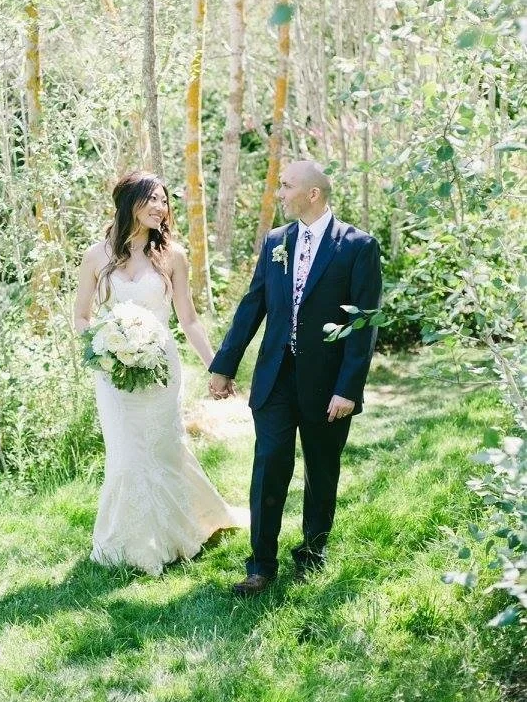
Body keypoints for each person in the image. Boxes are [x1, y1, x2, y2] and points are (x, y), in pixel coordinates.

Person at [209, 159, 382, 596]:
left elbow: (363, 325)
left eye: (286, 186)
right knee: (269, 466)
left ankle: (312, 553)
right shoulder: (276, 242)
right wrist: (225, 365)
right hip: (275, 377)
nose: (280, 194)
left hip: (327, 384)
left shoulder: (358, 246)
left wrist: (348, 388)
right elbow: (253, 305)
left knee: (321, 470)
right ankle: (260, 566)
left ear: (312, 194)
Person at [74, 170, 245, 576]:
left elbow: (189, 319)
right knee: (125, 453)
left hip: (160, 368)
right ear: (128, 202)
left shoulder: (173, 256)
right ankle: (130, 542)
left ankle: (175, 534)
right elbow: (81, 316)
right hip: (113, 371)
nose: (160, 207)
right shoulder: (96, 256)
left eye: (164, 201)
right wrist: (103, 346)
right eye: (152, 199)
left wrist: (218, 367)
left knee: (164, 447)